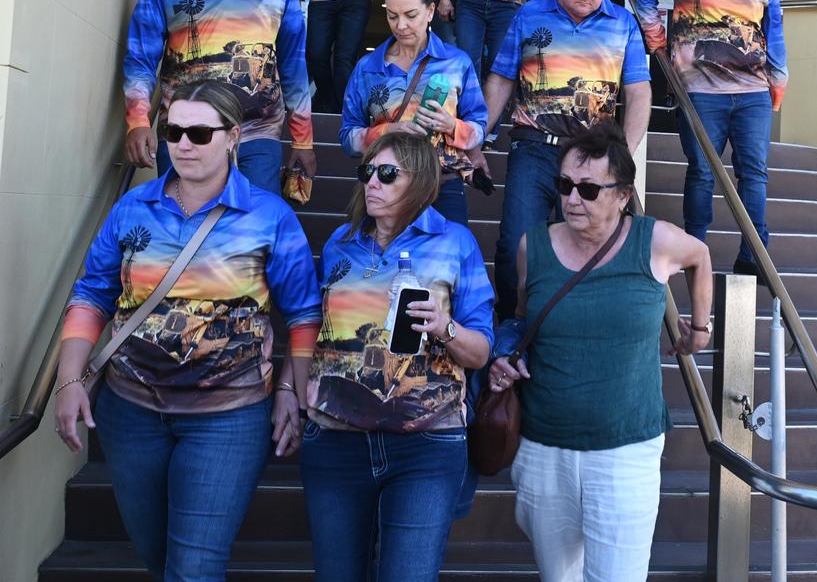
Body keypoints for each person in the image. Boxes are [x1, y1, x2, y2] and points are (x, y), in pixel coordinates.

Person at [53, 81, 321, 580]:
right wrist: (69, 381)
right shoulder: (133, 208)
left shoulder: (270, 218)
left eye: (199, 132)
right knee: (157, 555)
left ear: (233, 136)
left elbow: (304, 314)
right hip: (130, 412)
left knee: (194, 567)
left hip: (229, 416)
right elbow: (92, 294)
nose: (182, 144)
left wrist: (289, 388)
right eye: (173, 130)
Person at [488, 121, 713, 582]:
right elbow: (523, 318)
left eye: (589, 189)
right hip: (543, 447)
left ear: (623, 195)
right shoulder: (534, 246)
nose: (572, 199)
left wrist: (701, 328)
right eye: (565, 185)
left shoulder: (656, 241)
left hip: (626, 451)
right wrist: (507, 358)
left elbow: (701, 256)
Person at [277, 132, 494, 582]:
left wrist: (445, 327)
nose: (372, 182)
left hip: (426, 443)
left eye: (387, 173)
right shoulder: (341, 241)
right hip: (337, 438)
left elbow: (481, 351)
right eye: (367, 172)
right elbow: (314, 324)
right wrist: (287, 388)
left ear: (420, 182)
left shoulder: (455, 243)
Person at [484, 0, 652, 320]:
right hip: (534, 147)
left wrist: (623, 152)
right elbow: (501, 79)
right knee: (516, 244)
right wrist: (476, 138)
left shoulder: (623, 23)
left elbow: (639, 91)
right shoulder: (528, 15)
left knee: (581, 247)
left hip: (592, 155)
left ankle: (558, 327)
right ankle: (512, 325)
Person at [123, 0, 315, 194]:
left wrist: (302, 139)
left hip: (257, 131)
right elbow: (140, 60)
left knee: (251, 232)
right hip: (184, 132)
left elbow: (294, 66)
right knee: (184, 227)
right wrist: (138, 122)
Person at [634, 0, 788, 280]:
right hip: (700, 91)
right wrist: (656, 40)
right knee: (702, 172)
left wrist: (779, 77)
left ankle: (754, 253)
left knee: (754, 173)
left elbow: (775, 28)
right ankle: (694, 247)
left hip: (751, 90)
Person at [340, 0, 487, 225]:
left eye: (411, 15)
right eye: (392, 16)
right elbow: (347, 136)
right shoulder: (368, 68)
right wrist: (386, 131)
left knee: (446, 264)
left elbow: (479, 127)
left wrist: (452, 126)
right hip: (384, 186)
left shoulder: (456, 63)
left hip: (442, 186)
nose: (401, 25)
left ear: (430, 11)